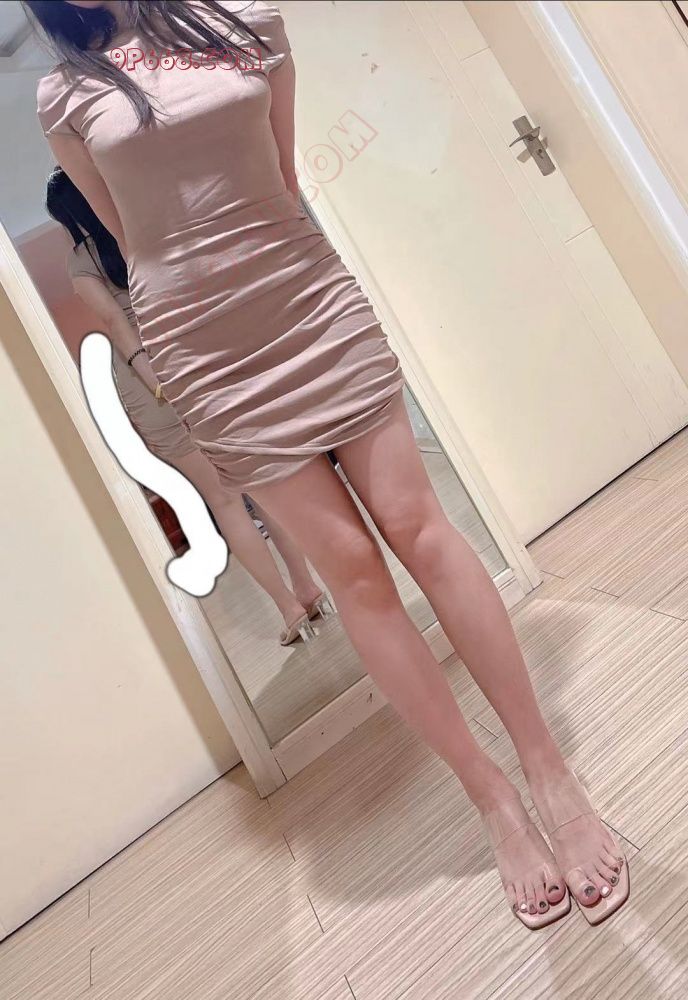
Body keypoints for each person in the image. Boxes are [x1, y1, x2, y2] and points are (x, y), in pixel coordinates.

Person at [28, 0, 629, 927]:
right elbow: (132, 240)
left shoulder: (242, 17)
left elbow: (280, 171)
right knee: (352, 572)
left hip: (307, 298)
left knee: (423, 530)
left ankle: (550, 774)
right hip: (206, 349)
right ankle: (493, 800)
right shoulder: (65, 94)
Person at [45, 164, 331, 646]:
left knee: (223, 501)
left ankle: (288, 608)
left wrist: (159, 384)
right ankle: (307, 587)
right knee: (259, 484)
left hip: (151, 384)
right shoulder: (146, 226)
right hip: (201, 361)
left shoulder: (81, 263)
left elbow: (117, 324)